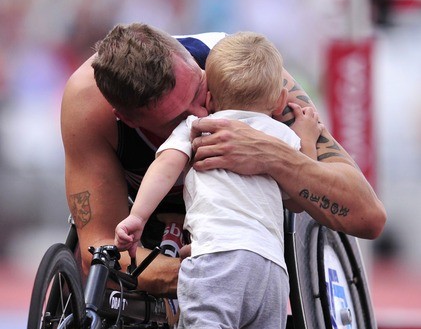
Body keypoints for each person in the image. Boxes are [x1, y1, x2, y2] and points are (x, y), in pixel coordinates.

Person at [114, 31, 323, 329]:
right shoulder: (282, 136)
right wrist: (306, 139)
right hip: (271, 269)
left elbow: (165, 167)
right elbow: (297, 197)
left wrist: (137, 217)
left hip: (219, 254)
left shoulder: (199, 126)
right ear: (279, 100)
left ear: (208, 92)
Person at [61, 23, 386, 297]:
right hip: (154, 226)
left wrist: (272, 155)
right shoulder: (88, 104)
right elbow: (98, 251)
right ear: (128, 119)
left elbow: (367, 216)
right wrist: (214, 270)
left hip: (245, 218)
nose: (202, 117)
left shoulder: (240, 69)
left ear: (191, 60)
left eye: (200, 92)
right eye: (176, 119)